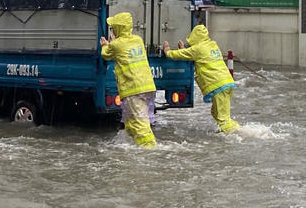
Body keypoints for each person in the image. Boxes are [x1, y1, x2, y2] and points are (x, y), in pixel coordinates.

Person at [162, 25, 240, 134]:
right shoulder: (212, 45)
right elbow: (198, 56)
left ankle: (235, 135)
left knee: (223, 118)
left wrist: (167, 50)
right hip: (226, 83)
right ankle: (227, 131)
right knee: (216, 112)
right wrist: (186, 50)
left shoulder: (198, 49)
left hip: (218, 86)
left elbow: (178, 55)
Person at [100, 12, 157, 148]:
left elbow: (106, 55)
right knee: (131, 121)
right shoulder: (138, 40)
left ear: (118, 28)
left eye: (113, 27)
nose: (112, 30)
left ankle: (150, 150)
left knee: (139, 124)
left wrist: (105, 45)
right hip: (148, 87)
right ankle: (131, 146)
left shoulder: (116, 44)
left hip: (133, 89)